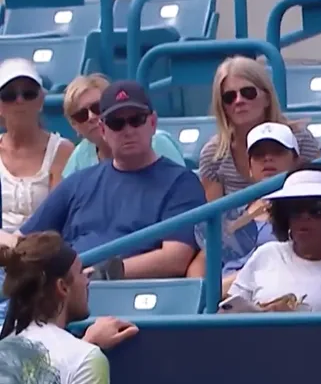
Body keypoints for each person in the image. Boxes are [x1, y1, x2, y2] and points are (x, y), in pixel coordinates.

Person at [16, 80, 207, 279]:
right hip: (69, 290)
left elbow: (175, 258)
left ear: (152, 123)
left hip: (134, 293)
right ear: (104, 130)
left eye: (136, 119)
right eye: (117, 123)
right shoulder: (78, 182)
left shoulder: (181, 183)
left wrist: (107, 272)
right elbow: (23, 240)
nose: (128, 130)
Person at [224, 163, 321, 312]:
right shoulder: (265, 254)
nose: (305, 218)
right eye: (295, 210)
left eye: (317, 211)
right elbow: (229, 312)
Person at [0, 231, 138, 384]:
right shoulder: (86, 359)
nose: (87, 280)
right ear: (63, 287)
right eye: (80, 272)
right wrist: (86, 350)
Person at [187, 122, 300, 296]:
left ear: (295, 161)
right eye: (258, 154)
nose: (267, 158)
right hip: (221, 302)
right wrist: (196, 292)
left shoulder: (307, 212)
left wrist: (218, 290)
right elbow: (204, 259)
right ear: (250, 168)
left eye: (277, 151)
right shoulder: (233, 212)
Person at [199, 56, 320, 200]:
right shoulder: (213, 155)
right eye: (229, 97)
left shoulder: (300, 139)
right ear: (222, 106)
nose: (239, 101)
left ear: (267, 98)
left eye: (248, 92)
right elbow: (214, 218)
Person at [0, 58, 74, 232]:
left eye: (29, 93)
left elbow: (57, 217)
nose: (20, 101)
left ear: (41, 100)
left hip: (41, 250)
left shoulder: (62, 150)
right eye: (9, 95)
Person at [61, 74, 185, 177]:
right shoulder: (80, 156)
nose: (91, 117)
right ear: (74, 125)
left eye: (97, 107)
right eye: (81, 115)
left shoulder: (157, 142)